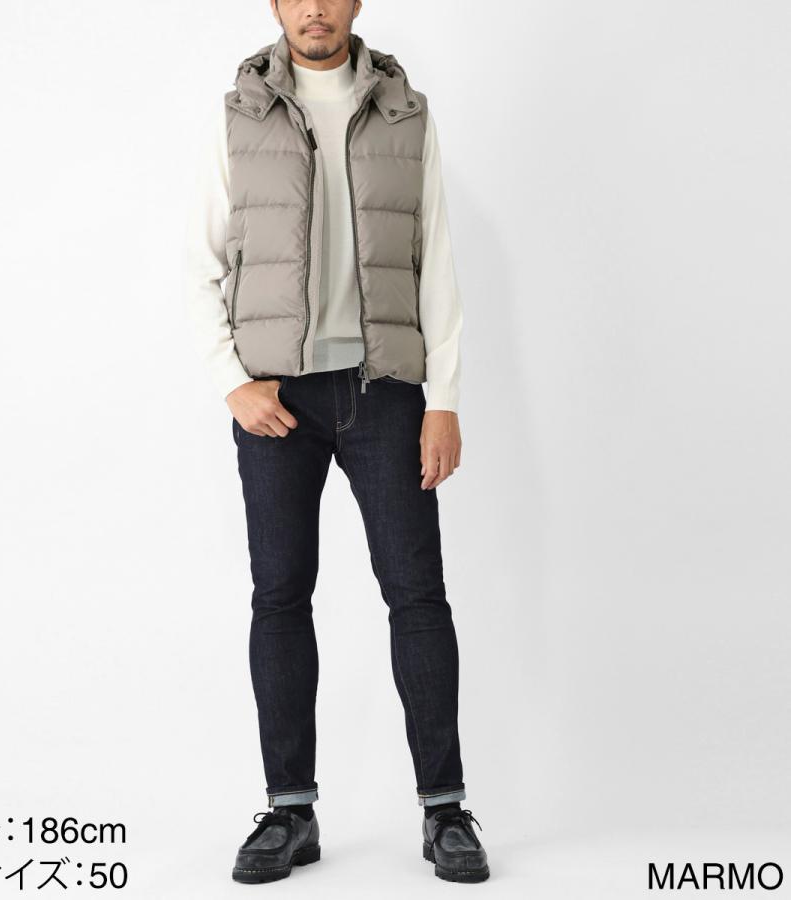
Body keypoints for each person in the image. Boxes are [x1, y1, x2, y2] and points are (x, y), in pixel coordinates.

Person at [187, 0, 488, 884]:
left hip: (384, 390)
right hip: (275, 398)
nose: (314, 8)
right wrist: (231, 380)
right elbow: (198, 262)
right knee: (280, 597)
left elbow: (437, 259)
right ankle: (291, 813)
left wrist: (444, 399)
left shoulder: (404, 112)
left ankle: (445, 811)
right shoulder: (239, 114)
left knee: (417, 596)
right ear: (276, 5)